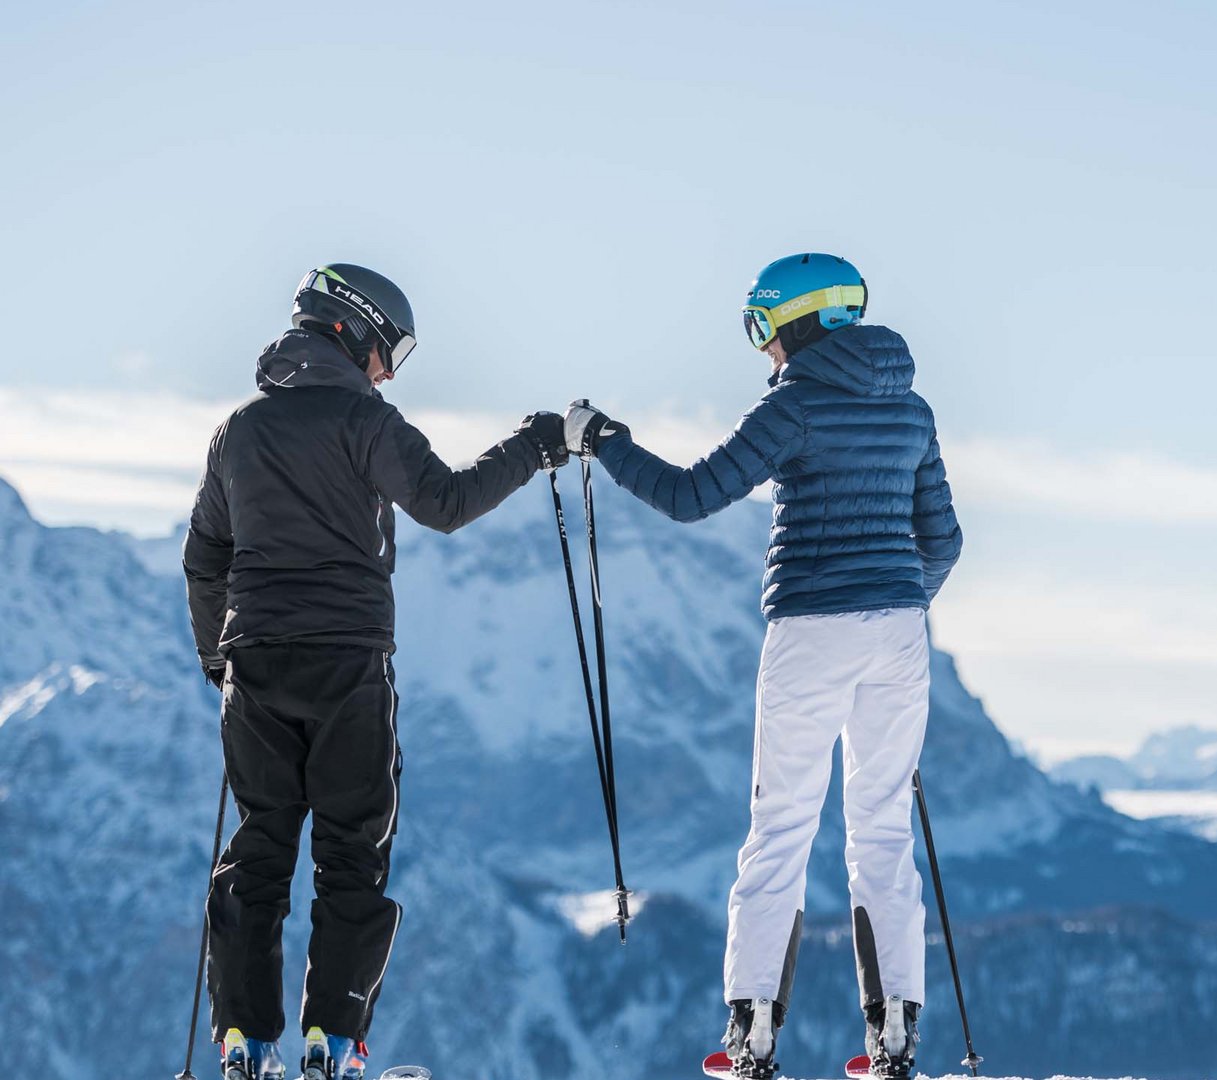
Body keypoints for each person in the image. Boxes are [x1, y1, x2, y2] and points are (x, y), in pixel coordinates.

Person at [563, 253, 962, 1079]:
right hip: (898, 632)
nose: (761, 348)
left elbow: (690, 496)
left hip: (811, 629)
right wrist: (893, 600)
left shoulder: (797, 406)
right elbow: (945, 542)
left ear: (793, 321)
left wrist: (605, 441)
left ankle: (754, 1036)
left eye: (759, 327)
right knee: (882, 831)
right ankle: (894, 1038)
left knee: (780, 827)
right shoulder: (912, 409)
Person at [182, 264, 570, 1080]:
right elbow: (448, 503)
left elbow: (205, 555)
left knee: (257, 851)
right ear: (353, 331)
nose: (388, 370)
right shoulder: (367, 422)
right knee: (352, 853)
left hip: (254, 664)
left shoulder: (238, 431)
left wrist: (218, 656)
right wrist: (536, 446)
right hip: (348, 664)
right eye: (389, 350)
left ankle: (243, 1044)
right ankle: (334, 1039)